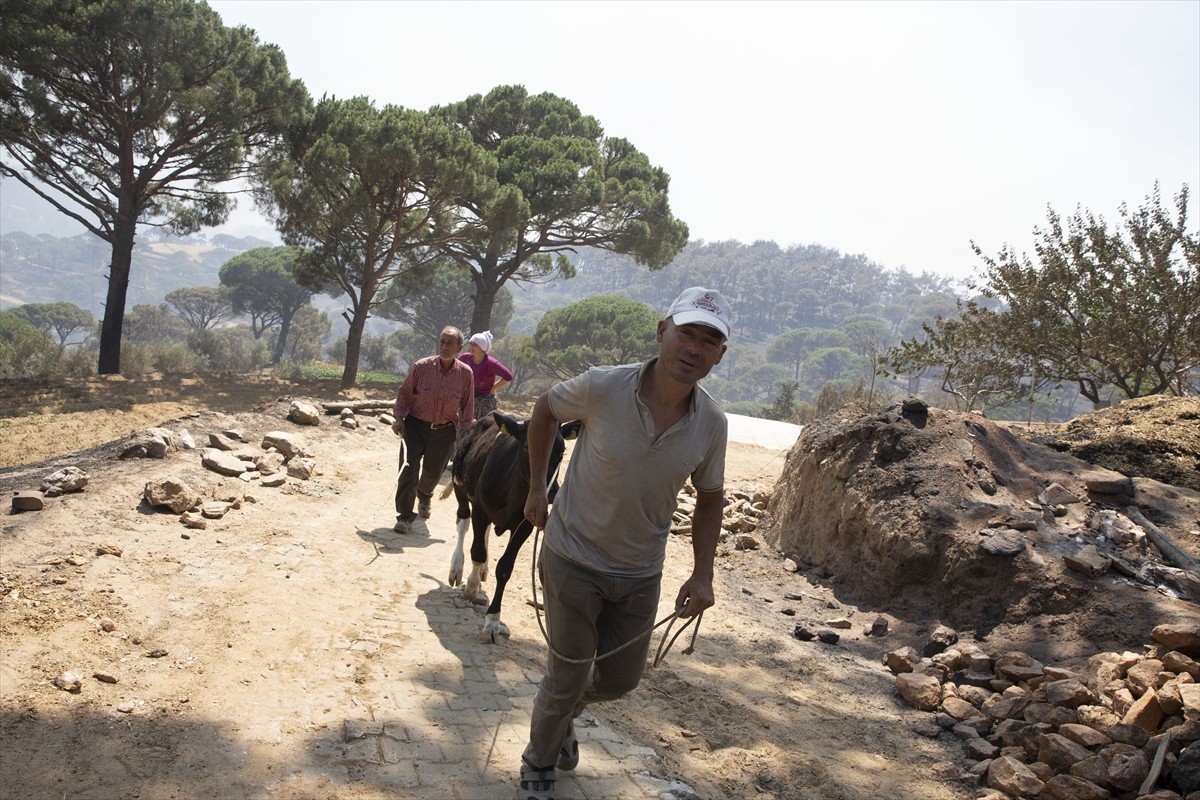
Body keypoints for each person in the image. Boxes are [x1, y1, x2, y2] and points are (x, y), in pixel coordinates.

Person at [516, 287, 731, 800]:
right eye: (687, 332)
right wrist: (536, 487)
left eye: (710, 340)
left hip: (639, 572)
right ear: (663, 331)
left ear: (720, 354)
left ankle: (563, 716)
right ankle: (538, 762)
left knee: (619, 680)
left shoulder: (712, 424)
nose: (694, 348)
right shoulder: (602, 387)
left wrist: (703, 573)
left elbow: (709, 499)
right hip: (572, 554)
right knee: (567, 672)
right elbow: (545, 410)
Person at [391, 326, 474, 533]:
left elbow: (467, 406)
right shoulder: (421, 367)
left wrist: (466, 434)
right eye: (442, 341)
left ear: (459, 347)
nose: (444, 346)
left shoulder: (465, 374)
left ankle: (425, 496)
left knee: (433, 472)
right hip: (415, 426)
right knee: (408, 470)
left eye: (449, 342)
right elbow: (404, 394)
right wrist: (399, 418)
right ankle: (405, 517)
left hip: (445, 431)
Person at [458, 330, 514, 420]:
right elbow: (455, 370)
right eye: (470, 343)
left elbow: (508, 376)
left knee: (481, 429)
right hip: (467, 399)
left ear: (482, 347)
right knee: (464, 428)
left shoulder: (491, 363)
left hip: (485, 401)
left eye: (475, 344)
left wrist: (493, 387)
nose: (471, 347)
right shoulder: (464, 358)